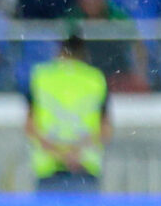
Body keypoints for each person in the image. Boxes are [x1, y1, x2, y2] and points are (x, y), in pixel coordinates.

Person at [25, 32, 112, 192]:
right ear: (83, 53)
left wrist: (59, 153)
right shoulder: (95, 79)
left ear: (59, 51)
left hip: (49, 167)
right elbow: (105, 129)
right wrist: (76, 153)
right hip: (85, 166)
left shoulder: (41, 77)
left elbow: (30, 126)